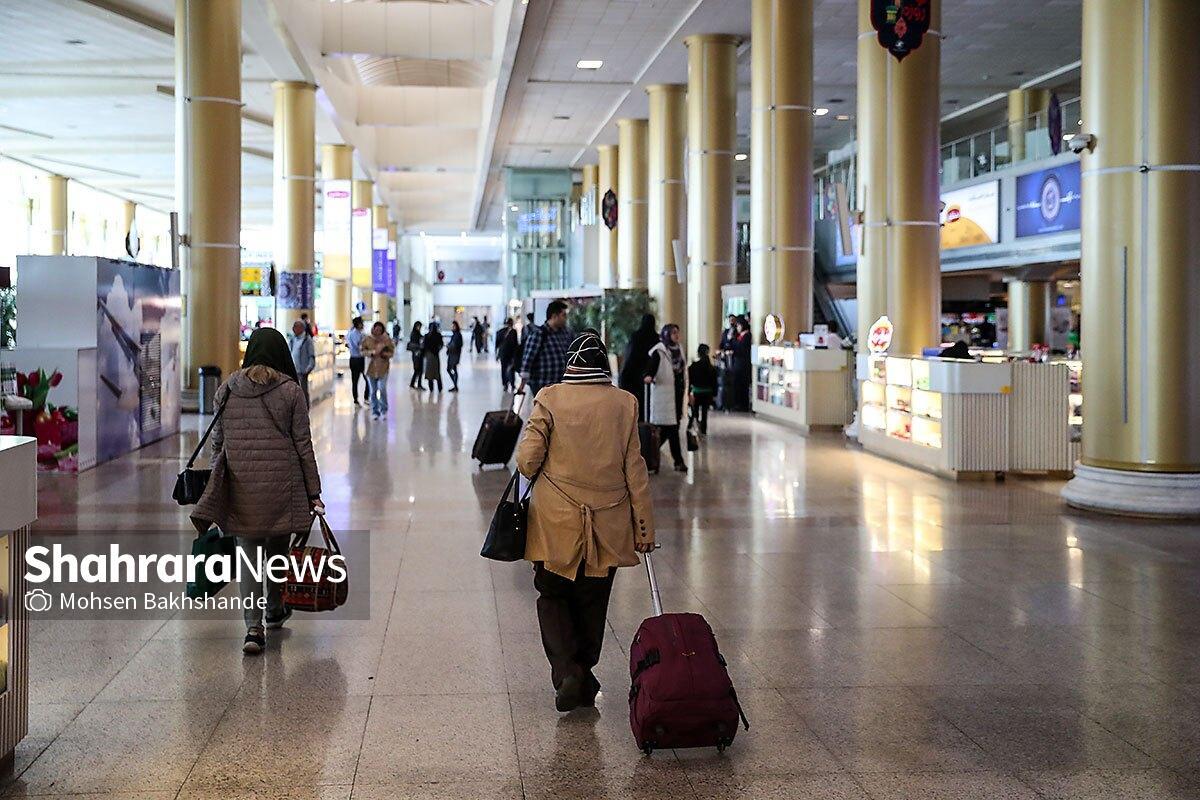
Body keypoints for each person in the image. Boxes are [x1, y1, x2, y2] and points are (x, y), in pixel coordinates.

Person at [515, 332, 655, 711]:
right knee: (593, 599)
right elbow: (635, 471)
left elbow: (527, 461)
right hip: (607, 523)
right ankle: (584, 672)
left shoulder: (549, 398)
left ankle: (568, 672)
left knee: (553, 594)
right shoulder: (625, 404)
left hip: (555, 521)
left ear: (571, 362)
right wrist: (644, 528)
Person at [190, 328, 323, 655]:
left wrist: (216, 481)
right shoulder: (291, 391)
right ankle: (274, 610)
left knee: (249, 556)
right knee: (277, 551)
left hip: (242, 486)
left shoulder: (227, 390)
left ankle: (253, 627)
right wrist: (314, 491)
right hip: (281, 486)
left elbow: (217, 443)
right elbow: (303, 446)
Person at [643, 324, 687, 472]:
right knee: (671, 429)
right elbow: (651, 368)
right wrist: (649, 376)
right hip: (663, 396)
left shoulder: (679, 349)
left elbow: (682, 371)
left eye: (677, 333)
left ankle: (649, 457)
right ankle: (676, 461)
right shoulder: (660, 351)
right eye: (673, 333)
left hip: (677, 394)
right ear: (667, 334)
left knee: (669, 429)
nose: (676, 336)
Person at [517, 300, 573, 398]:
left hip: (561, 385)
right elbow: (527, 361)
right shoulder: (539, 334)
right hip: (542, 386)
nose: (566, 319)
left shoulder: (566, 334)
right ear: (554, 316)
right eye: (563, 315)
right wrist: (522, 385)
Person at [619, 313, 659, 419]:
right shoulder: (656, 339)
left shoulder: (635, 336)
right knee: (646, 407)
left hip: (632, 376)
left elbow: (629, 356)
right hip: (647, 378)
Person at [362, 321, 395, 419]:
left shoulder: (386, 340)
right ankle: (375, 411)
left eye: (380, 330)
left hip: (383, 368)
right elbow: (362, 351)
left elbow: (391, 352)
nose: (378, 331)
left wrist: (384, 354)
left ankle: (384, 409)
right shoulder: (368, 339)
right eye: (376, 329)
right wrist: (371, 353)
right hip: (370, 368)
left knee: (382, 388)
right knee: (373, 391)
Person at [688, 343, 717, 435]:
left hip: (696, 391)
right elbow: (714, 382)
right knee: (704, 412)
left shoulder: (693, 367)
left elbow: (690, 380)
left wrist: (689, 391)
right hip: (707, 392)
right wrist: (714, 394)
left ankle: (696, 424)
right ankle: (703, 429)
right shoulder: (711, 368)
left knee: (695, 410)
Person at [288, 319, 316, 406]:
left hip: (302, 371)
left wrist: (308, 369)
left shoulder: (307, 340)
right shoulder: (293, 340)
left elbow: (311, 356)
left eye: (295, 327)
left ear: (301, 328)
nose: (293, 329)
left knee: (303, 391)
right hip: (293, 371)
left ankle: (305, 409)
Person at [730, 316, 753, 412]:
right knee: (737, 385)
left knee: (743, 386)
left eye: (739, 325)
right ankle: (737, 403)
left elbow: (741, 348)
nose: (737, 328)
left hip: (743, 365)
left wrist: (733, 340)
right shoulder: (739, 336)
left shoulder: (747, 336)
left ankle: (743, 405)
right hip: (737, 364)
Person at [717, 314, 739, 410]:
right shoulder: (726, 332)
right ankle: (724, 402)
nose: (731, 322)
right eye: (730, 320)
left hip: (733, 358)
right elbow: (722, 344)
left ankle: (732, 402)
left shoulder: (737, 333)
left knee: (732, 380)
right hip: (726, 358)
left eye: (733, 320)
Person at [346, 316, 369, 407]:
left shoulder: (359, 333)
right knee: (355, 380)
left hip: (361, 359)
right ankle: (356, 399)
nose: (362, 325)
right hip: (355, 359)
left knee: (367, 379)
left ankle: (366, 397)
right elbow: (358, 345)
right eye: (361, 323)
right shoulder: (354, 333)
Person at [496, 317, 519, 392]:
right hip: (511, 354)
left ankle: (505, 384)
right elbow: (515, 344)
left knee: (504, 368)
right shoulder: (513, 332)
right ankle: (512, 384)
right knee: (511, 369)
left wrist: (497, 354)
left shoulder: (500, 331)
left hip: (503, 353)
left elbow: (497, 344)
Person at [423, 321, 445, 392]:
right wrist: (438, 350)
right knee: (437, 372)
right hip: (435, 356)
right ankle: (440, 388)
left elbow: (424, 346)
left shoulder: (427, 336)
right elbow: (441, 344)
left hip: (429, 356)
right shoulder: (438, 335)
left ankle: (431, 388)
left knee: (430, 373)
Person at [446, 320, 464, 392]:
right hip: (452, 354)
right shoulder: (455, 334)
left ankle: (455, 385)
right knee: (451, 369)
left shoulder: (457, 335)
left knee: (452, 369)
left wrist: (449, 346)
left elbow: (456, 345)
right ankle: (455, 385)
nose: (452, 327)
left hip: (454, 354)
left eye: (454, 326)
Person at [407, 321, 425, 390]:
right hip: (416, 354)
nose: (419, 327)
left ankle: (417, 384)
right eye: (419, 326)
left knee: (419, 369)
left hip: (418, 353)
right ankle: (414, 384)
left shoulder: (417, 333)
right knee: (417, 369)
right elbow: (414, 343)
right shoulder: (414, 334)